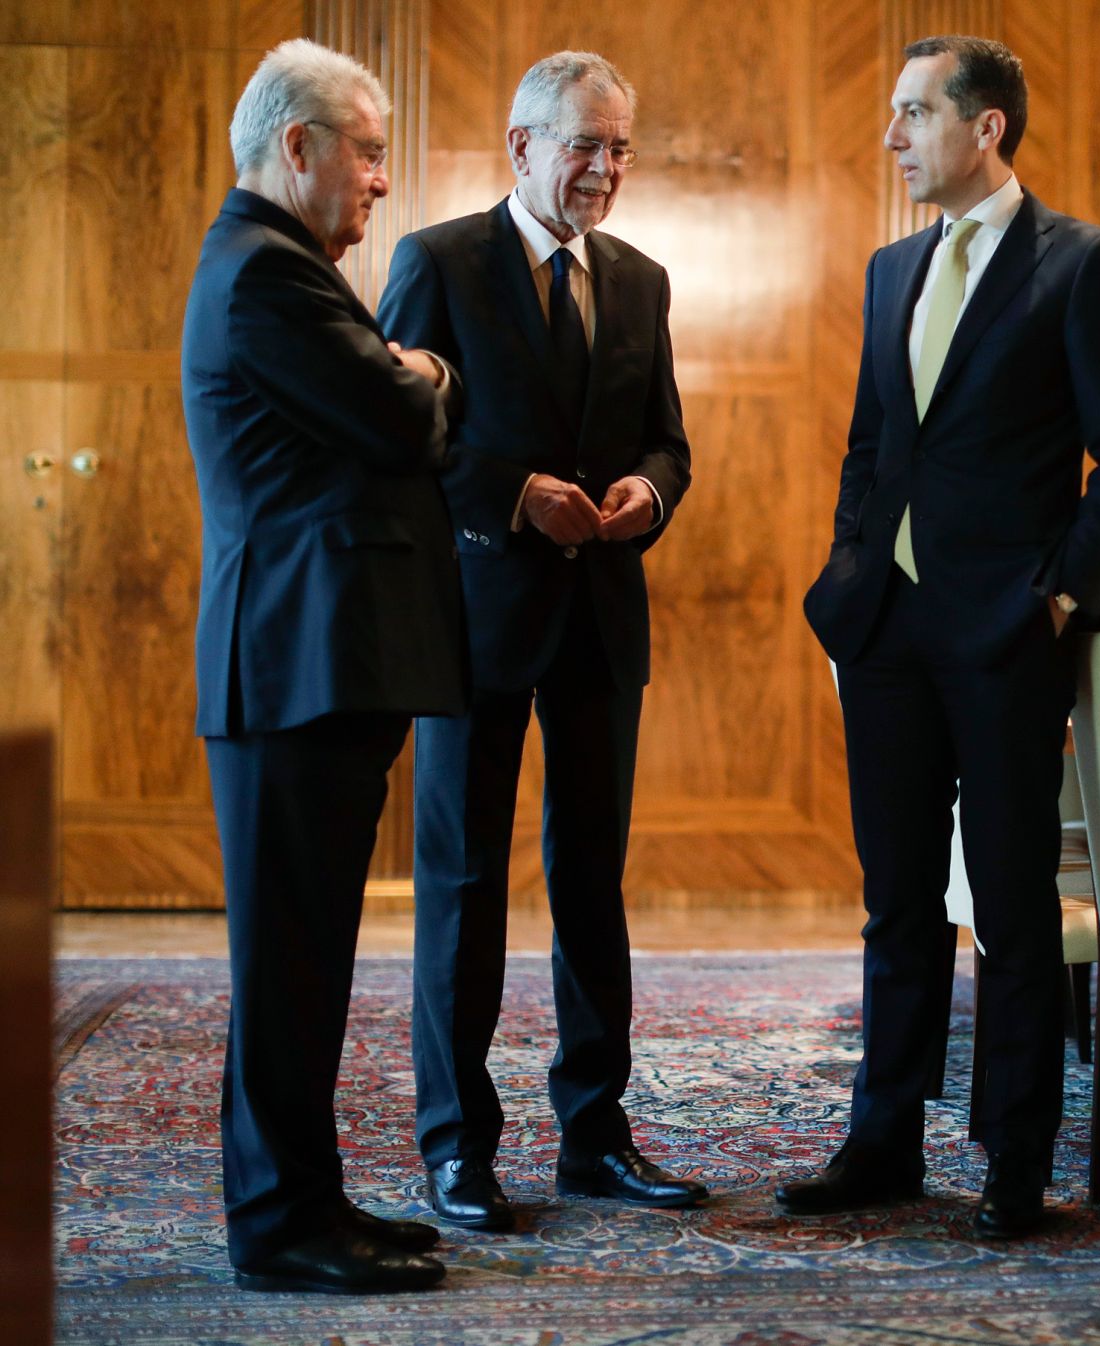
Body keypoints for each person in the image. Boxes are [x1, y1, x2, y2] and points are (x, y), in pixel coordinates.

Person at [784, 35, 1100, 1238]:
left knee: (1008, 905)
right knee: (895, 901)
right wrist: (849, 573)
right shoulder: (892, 269)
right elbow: (868, 442)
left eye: (911, 114)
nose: (891, 137)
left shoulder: (1082, 263)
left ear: (984, 125)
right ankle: (881, 1142)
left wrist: (1057, 597)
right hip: (884, 629)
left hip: (1005, 634)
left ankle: (1013, 1155)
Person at [377, 50, 699, 1230]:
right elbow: (398, 437)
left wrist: (646, 494)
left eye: (621, 147)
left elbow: (669, 440)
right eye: (585, 145)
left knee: (590, 883)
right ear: (520, 146)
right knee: (461, 885)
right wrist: (512, 493)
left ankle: (594, 1135)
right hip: (471, 622)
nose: (606, 168)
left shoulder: (643, 278)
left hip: (601, 622)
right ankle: (456, 1144)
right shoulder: (438, 261)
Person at [182, 39, 466, 1293]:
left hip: (318, 660)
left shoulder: (284, 267)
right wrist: (426, 374)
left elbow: (393, 403)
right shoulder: (265, 276)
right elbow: (399, 417)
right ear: (295, 147)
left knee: (306, 958)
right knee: (288, 960)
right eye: (367, 151)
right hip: (291, 662)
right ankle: (281, 1225)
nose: (380, 181)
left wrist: (411, 372)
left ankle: (308, 1199)